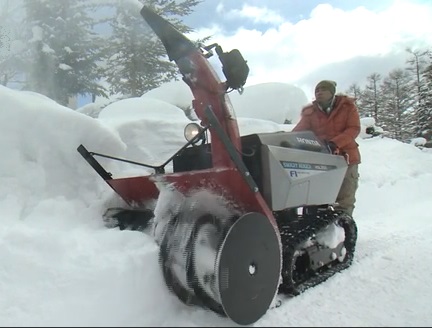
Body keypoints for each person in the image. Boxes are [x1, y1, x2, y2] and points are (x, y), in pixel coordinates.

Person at [292, 80, 361, 217]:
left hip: (346, 157)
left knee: (345, 196)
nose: (319, 92)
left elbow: (354, 128)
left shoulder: (347, 107)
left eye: (323, 89)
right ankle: (320, 228)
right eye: (317, 90)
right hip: (322, 160)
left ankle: (343, 229)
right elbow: (298, 132)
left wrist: (335, 143)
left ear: (332, 92)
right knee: (318, 197)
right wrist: (286, 140)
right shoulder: (310, 112)